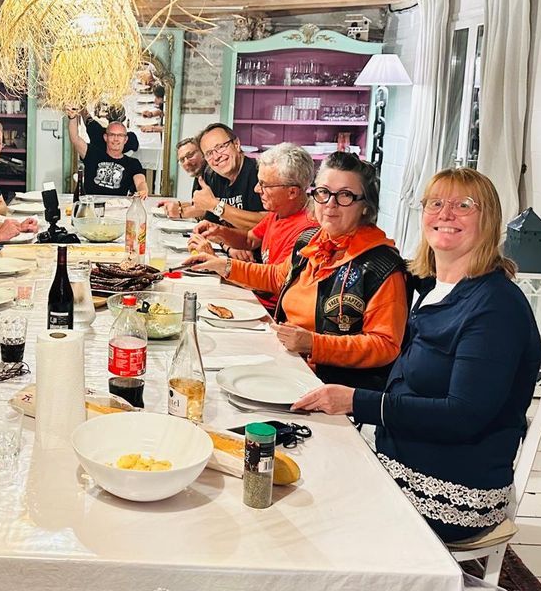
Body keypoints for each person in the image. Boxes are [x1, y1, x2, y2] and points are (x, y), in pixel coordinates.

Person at [293, 168, 541, 544]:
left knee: (305, 509)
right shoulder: (434, 288)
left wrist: (355, 401)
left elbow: (463, 417)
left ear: (489, 220)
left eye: (463, 205)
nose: (446, 214)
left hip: (449, 486)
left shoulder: (495, 307)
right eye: (435, 203)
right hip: (401, 452)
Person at [187, 152, 406, 391]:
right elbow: (276, 277)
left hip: (328, 385)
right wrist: (221, 265)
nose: (330, 204)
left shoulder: (380, 265)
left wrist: (314, 344)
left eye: (345, 195)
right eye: (323, 192)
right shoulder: (312, 239)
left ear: (365, 206)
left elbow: (386, 345)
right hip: (287, 360)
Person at [188, 143, 317, 306]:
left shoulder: (308, 231)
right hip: (254, 296)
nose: (257, 189)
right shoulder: (279, 211)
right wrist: (219, 231)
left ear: (292, 192)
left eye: (264, 185)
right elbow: (250, 239)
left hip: (269, 308)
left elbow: (273, 284)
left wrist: (219, 264)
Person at [168, 124, 265, 230]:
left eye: (220, 147)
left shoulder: (260, 174)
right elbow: (212, 224)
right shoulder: (212, 176)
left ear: (236, 144)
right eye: (209, 153)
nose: (216, 157)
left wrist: (215, 206)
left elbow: (267, 224)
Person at [67, 113, 148, 197]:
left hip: (117, 204)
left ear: (125, 139)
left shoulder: (133, 163)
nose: (116, 139)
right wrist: (72, 117)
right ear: (105, 137)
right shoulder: (92, 153)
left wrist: (143, 190)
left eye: (120, 135)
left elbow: (140, 182)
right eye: (112, 135)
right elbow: (75, 138)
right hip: (91, 203)